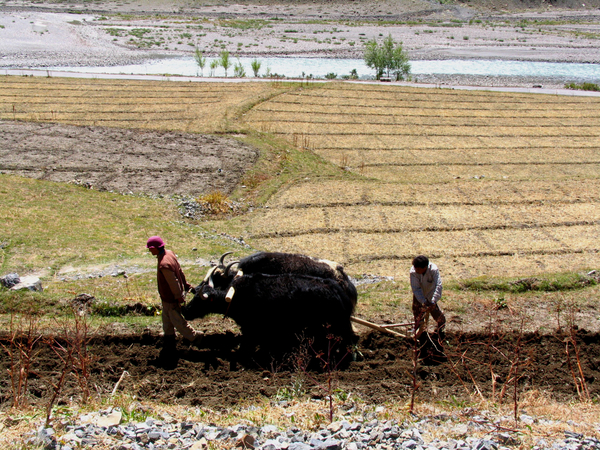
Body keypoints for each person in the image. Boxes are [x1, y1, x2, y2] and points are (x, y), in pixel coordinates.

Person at [146, 236, 202, 356]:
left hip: (171, 299)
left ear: (155, 248)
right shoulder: (169, 254)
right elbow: (180, 271)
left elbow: (173, 282)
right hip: (166, 298)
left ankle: (196, 337)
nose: (149, 251)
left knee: (178, 322)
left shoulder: (164, 264)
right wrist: (186, 284)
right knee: (167, 321)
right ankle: (169, 342)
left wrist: (178, 296)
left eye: (150, 249)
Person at [410, 255, 446, 345]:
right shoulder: (413, 272)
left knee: (439, 318)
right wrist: (423, 301)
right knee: (418, 316)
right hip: (419, 295)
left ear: (425, 267)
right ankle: (419, 333)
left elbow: (438, 285)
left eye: (418, 269)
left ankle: (439, 333)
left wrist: (433, 301)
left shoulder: (433, 270)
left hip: (431, 294)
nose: (416, 271)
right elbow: (416, 288)